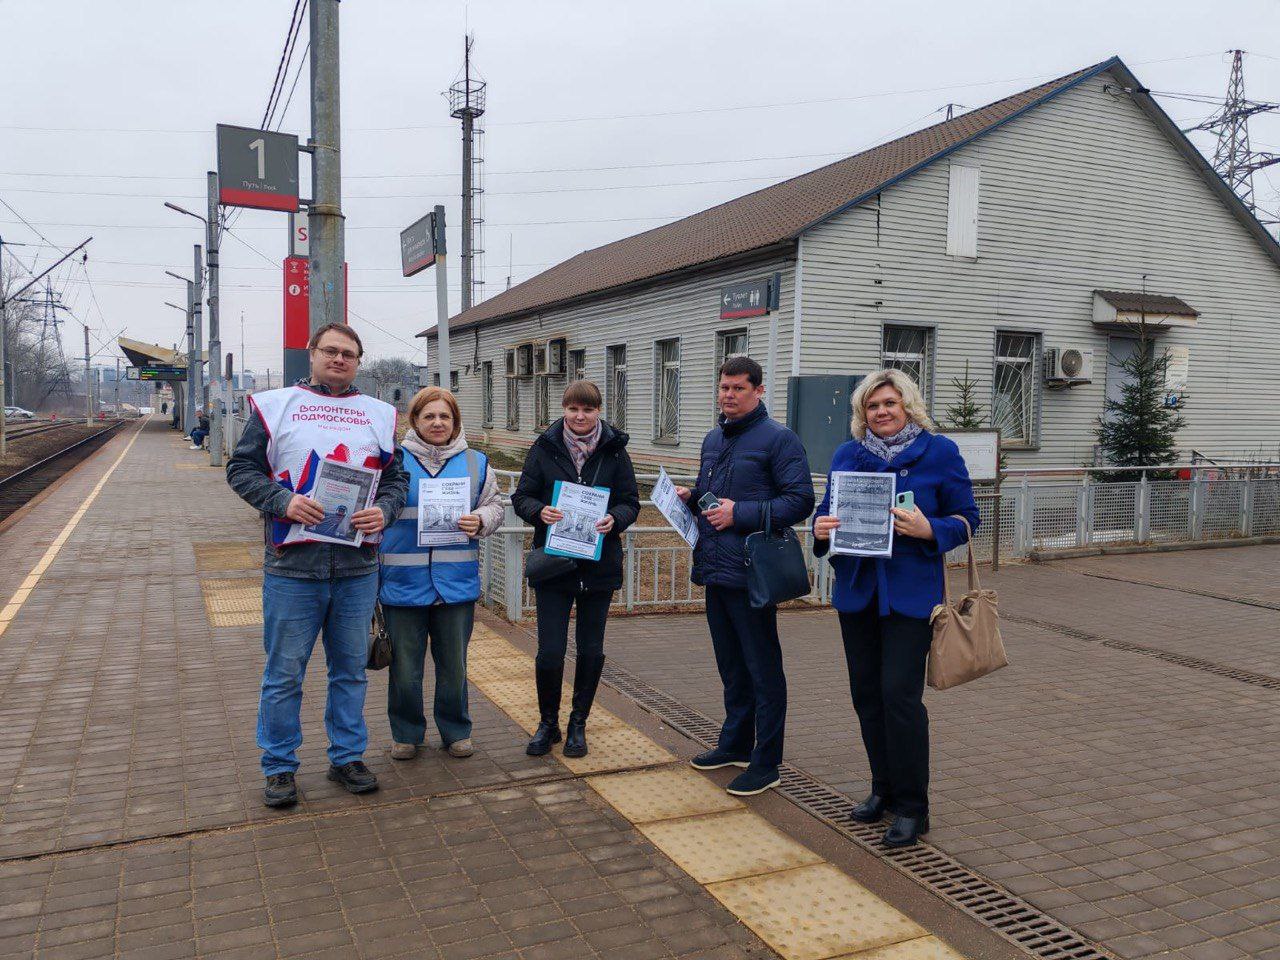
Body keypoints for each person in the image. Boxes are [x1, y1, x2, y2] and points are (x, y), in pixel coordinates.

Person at [226, 322, 408, 809]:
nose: (340, 359)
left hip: (356, 569)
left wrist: (385, 511)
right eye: (331, 350)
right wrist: (283, 501)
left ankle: (346, 756)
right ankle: (279, 767)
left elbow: (396, 482)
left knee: (350, 671)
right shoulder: (275, 406)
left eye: (349, 354)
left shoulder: (379, 415)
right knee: (284, 674)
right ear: (312, 353)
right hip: (292, 567)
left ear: (358, 361)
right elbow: (240, 469)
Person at [812, 369, 978, 848]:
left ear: (908, 405)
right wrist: (821, 531)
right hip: (858, 593)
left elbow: (969, 519)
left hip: (909, 596)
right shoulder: (848, 454)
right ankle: (881, 790)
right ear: (862, 413)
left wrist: (931, 531)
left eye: (890, 403)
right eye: (872, 406)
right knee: (866, 696)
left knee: (899, 700)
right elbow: (827, 513)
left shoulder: (939, 452)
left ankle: (913, 807)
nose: (881, 412)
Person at [674, 356, 814, 797]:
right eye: (723, 387)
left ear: (758, 390)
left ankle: (766, 761)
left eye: (737, 388)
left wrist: (741, 514)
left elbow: (800, 500)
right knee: (732, 667)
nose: (728, 395)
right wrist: (691, 494)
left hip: (753, 573)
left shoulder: (780, 439)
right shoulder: (713, 439)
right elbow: (716, 493)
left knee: (763, 669)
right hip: (716, 569)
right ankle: (734, 743)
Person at [512, 380, 640, 758]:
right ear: (564, 411)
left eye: (587, 410)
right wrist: (540, 512)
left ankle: (578, 723)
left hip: (598, 566)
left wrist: (614, 519)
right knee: (550, 651)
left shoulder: (615, 451)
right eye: (573, 409)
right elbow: (522, 496)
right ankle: (547, 723)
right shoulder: (544, 447)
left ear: (598, 411)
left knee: (590, 650)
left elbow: (630, 502)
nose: (580, 417)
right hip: (555, 566)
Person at [379, 386, 504, 761]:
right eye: (429, 416)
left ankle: (456, 730)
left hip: (455, 585)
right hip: (402, 584)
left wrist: (481, 519)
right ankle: (406, 733)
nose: (437, 423)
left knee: (454, 667)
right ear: (414, 421)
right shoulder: (392, 462)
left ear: (455, 422)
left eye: (444, 417)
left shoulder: (476, 463)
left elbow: (495, 507)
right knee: (404, 669)